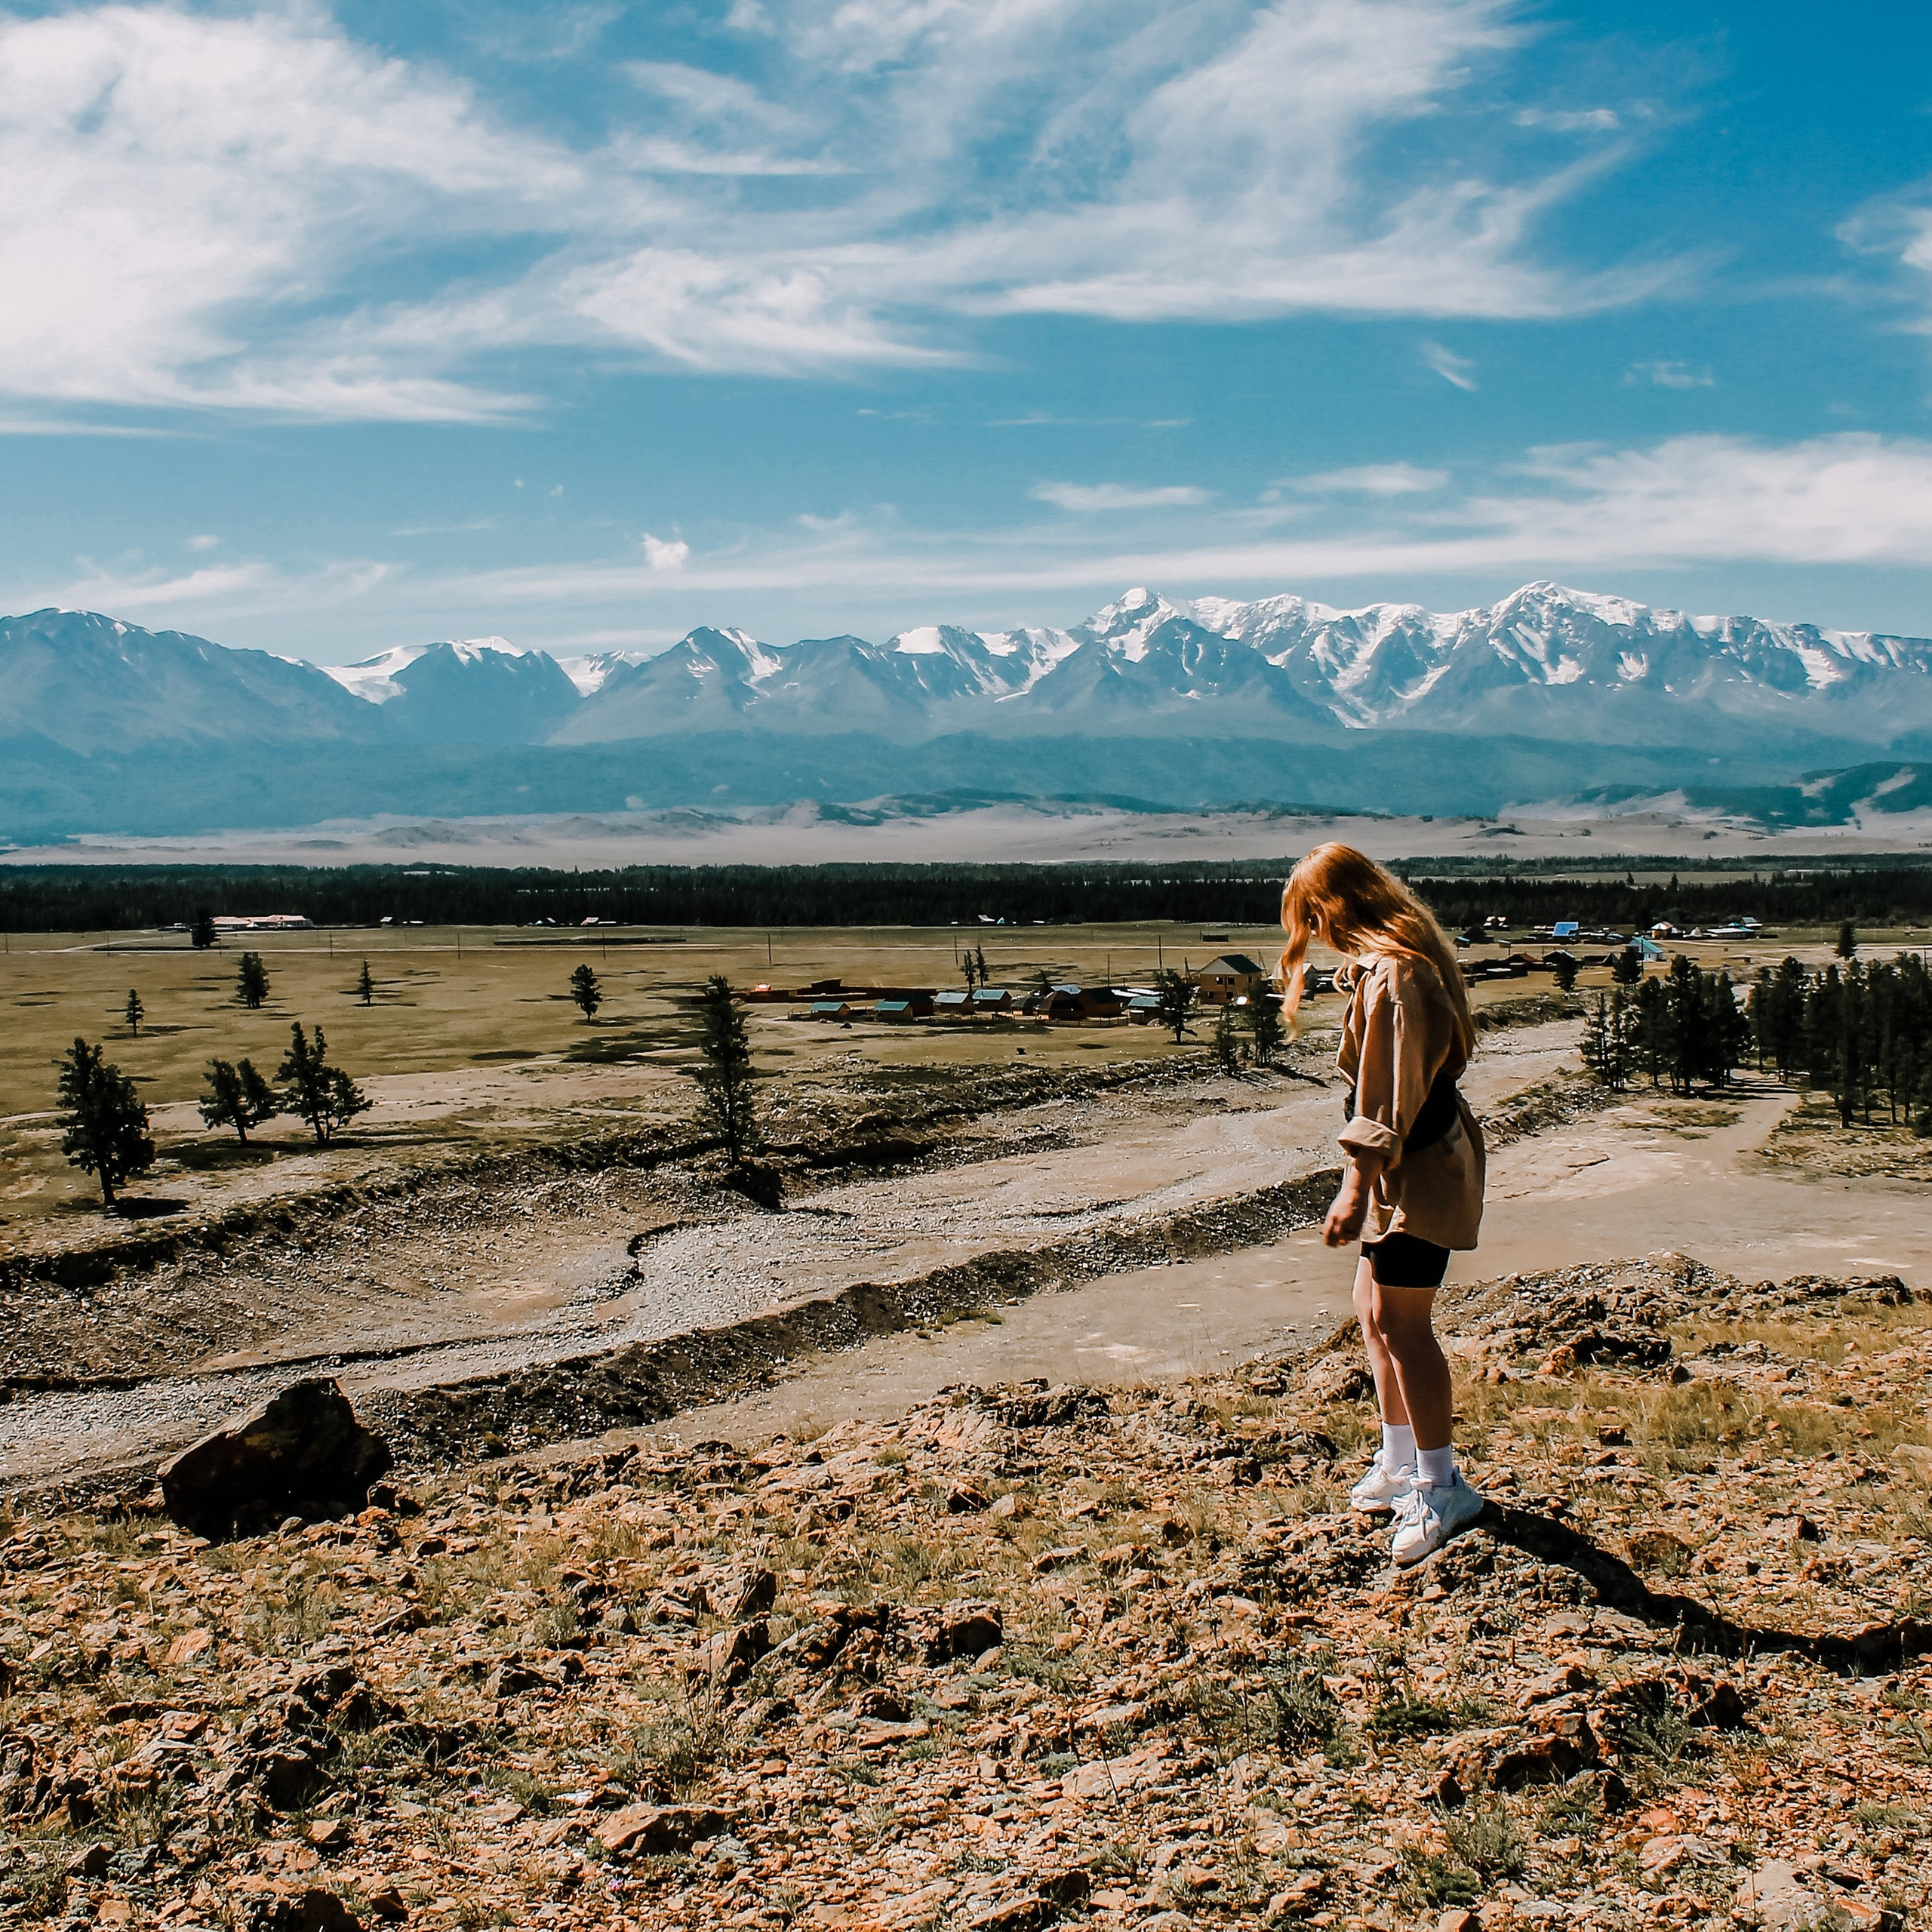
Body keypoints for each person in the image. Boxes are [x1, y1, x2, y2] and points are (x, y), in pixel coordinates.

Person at [1278, 843, 1487, 1564]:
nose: (1311, 935)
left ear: (1336, 907)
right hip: (1408, 1166)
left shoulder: (1396, 976)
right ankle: (1399, 1461)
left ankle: (1441, 1484)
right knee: (1374, 1314)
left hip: (1418, 1170)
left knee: (1404, 1325)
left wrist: (1353, 1188)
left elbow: (1387, 1102)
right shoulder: (1385, 967)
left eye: (1310, 918)